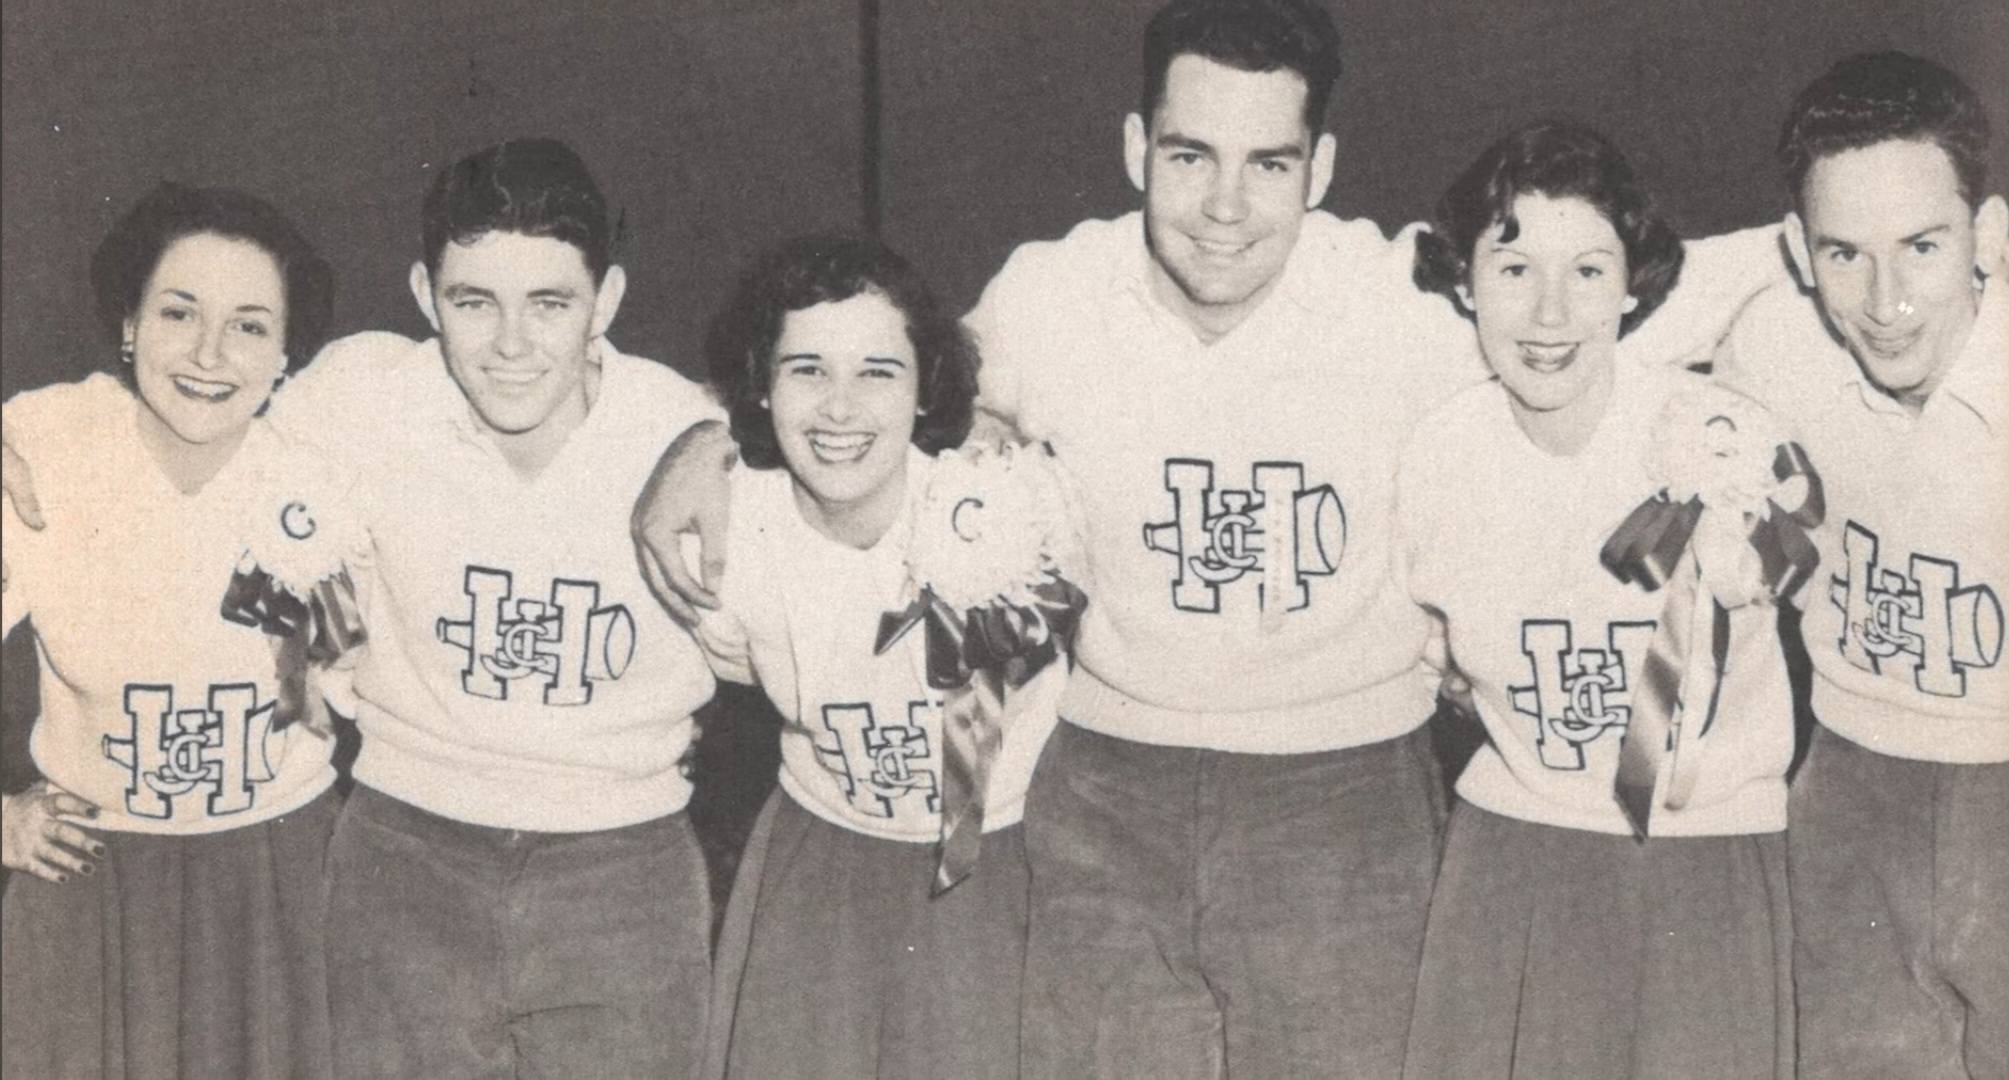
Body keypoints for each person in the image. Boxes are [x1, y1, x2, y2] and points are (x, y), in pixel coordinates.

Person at [632, 2, 1785, 1074]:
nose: (1223, 206)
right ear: (1137, 147)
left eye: (1267, 164)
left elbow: (1657, 289)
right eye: (1190, 158)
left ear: (1319, 170)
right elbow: (879, 390)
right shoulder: (1049, 295)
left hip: (1343, 805)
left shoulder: (1403, 298)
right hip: (1102, 797)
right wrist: (704, 441)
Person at [264, 138, 721, 1078]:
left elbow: (911, 434)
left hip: (622, 871)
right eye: (475, 302)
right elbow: (199, 437)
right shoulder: (362, 396)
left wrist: (721, 439)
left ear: (610, 299)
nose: (511, 345)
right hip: (403, 851)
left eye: (550, 303)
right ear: (426, 297)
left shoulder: (682, 431)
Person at [1398, 121, 1800, 1079]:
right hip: (1514, 852)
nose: (1547, 314)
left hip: (1703, 855)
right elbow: (1416, 642)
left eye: (1585, 271)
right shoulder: (1434, 453)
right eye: (1511, 269)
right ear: (1462, 283)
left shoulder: (1717, 434)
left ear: (1633, 286)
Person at [689, 235, 1067, 1079]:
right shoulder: (731, 535)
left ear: (924, 384)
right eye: (806, 370)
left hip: (999, 857)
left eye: (877, 372)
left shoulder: (1001, 505)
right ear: (760, 382)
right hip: (823, 853)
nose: (839, 409)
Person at [1, 181, 343, 1079]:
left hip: (278, 887)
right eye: (179, 312)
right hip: (92, 889)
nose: (208, 355)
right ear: (128, 326)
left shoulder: (332, 471)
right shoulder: (43, 452)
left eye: (250, 326)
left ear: (287, 355)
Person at [1713, 52, 2008, 1079]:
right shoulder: (1770, 347)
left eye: (1921, 246)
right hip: (1850, 784)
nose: (1884, 300)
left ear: (1990, 234)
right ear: (1795, 251)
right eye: (1844, 254)